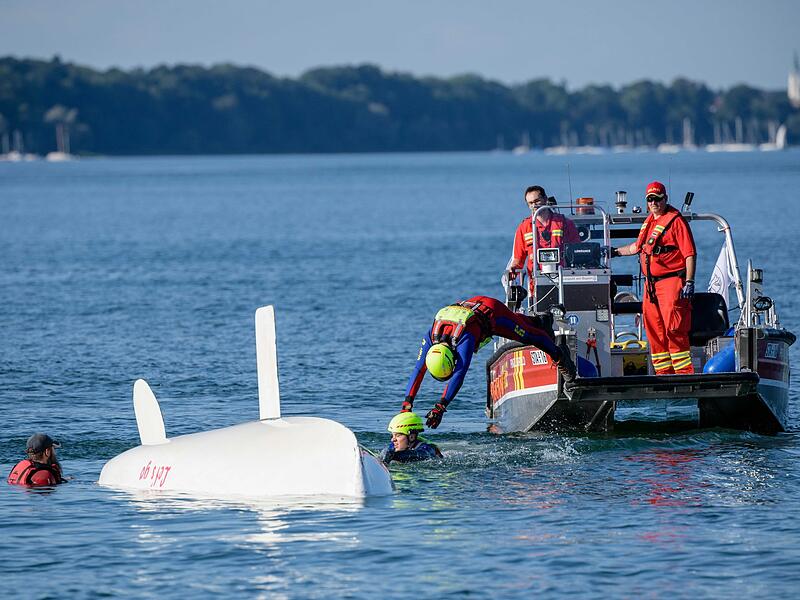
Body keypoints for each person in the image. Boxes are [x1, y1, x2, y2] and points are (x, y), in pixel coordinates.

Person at [401, 295, 576, 429]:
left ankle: (560, 355)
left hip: (493, 314)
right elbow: (418, 370)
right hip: (473, 306)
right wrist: (407, 404)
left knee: (528, 335)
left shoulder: (464, 339)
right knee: (522, 323)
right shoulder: (431, 337)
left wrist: (440, 407)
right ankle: (542, 320)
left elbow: (459, 374)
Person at [611, 181, 697, 374]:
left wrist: (689, 281)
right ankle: (663, 374)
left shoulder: (676, 221)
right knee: (654, 331)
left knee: (674, 329)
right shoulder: (649, 221)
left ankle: (684, 374)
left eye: (657, 199)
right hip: (651, 286)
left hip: (671, 282)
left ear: (665, 199)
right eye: (650, 199)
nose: (654, 203)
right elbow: (637, 248)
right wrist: (614, 252)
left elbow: (689, 254)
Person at [506, 185, 581, 281]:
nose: (534, 205)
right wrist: (513, 269)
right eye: (530, 203)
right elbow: (518, 260)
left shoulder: (565, 223)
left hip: (564, 280)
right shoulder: (524, 228)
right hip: (536, 283)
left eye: (537, 201)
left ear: (545, 199)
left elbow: (578, 253)